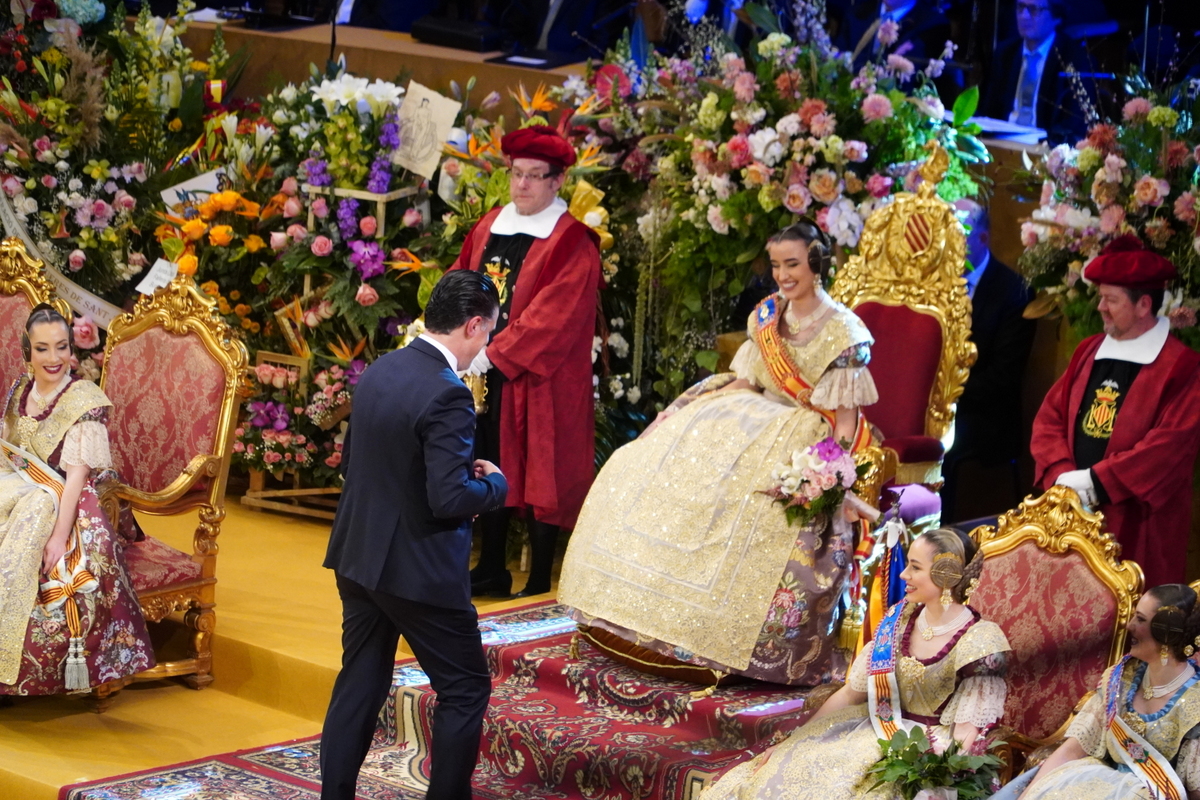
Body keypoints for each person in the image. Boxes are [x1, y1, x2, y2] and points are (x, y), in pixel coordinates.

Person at [559, 221, 879, 686]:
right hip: (747, 412)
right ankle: (641, 611)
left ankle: (725, 634)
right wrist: (693, 415)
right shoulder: (767, 314)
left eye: (792, 264)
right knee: (650, 462)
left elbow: (845, 425)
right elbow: (746, 382)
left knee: (752, 500)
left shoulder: (845, 333)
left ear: (816, 264)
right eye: (775, 265)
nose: (783, 275)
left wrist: (826, 470)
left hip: (806, 428)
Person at [320, 271, 508, 800]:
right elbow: (448, 500)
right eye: (489, 332)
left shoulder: (383, 368)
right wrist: (493, 486)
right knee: (465, 689)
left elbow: (354, 462)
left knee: (359, 683)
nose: (486, 344)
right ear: (473, 325)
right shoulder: (448, 393)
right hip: (419, 571)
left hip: (358, 555)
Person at [700, 528, 1011, 800]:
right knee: (798, 767)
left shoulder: (980, 641)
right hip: (872, 728)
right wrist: (799, 736)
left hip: (925, 750)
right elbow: (851, 694)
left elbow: (967, 733)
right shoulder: (898, 618)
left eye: (915, 568)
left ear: (946, 575)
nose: (904, 575)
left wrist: (938, 776)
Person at [452, 125, 602, 599]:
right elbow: (460, 282)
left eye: (535, 176)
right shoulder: (488, 226)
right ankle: (491, 566)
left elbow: (554, 316)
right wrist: (461, 341)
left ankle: (539, 580)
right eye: (517, 173)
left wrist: (492, 353)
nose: (523, 185)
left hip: (541, 378)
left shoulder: (572, 240)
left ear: (557, 182)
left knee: (542, 469)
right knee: (487, 457)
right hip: (485, 373)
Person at [0, 304, 154, 696]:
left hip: (74, 499)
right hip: (22, 485)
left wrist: (57, 537)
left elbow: (75, 480)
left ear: (73, 349)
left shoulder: (85, 402)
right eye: (42, 349)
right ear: (27, 351)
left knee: (36, 524)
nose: (53, 359)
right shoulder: (21, 389)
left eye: (62, 347)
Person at [1030, 235, 1200, 587]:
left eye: (1111, 300)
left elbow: (1168, 448)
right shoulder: (1089, 350)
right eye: (1101, 298)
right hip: (1071, 511)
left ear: (1143, 305)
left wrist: (1095, 483)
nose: (1101, 308)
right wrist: (1063, 478)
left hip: (1136, 520)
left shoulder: (1181, 366)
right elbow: (1049, 419)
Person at [991, 584, 1200, 800]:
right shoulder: (1120, 678)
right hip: (1089, 783)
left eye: (1140, 619)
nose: (1129, 626)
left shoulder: (1195, 706)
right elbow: (1072, 750)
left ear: (1166, 635)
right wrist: (1027, 796)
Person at [941, 199, 1035, 522]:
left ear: (982, 238)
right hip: (940, 405)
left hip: (983, 414)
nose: (948, 245)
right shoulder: (936, 281)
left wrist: (945, 396)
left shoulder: (1014, 291)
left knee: (939, 447)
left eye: (959, 236)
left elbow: (1003, 376)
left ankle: (939, 540)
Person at [980, 0, 1090, 145]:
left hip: (1044, 146)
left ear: (1056, 17)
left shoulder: (1074, 59)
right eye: (1020, 7)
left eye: (1033, 9)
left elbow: (1073, 124)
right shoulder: (1004, 53)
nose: (1023, 16)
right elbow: (986, 110)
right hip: (1002, 141)